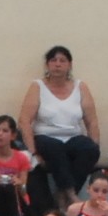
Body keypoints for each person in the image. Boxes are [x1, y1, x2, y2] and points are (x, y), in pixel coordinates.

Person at [13, 45, 99, 201]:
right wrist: (33, 153)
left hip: (73, 137)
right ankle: (71, 195)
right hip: (45, 137)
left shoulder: (80, 87)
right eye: (53, 60)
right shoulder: (37, 86)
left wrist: (95, 145)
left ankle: (61, 194)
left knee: (89, 149)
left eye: (62, 60)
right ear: (47, 65)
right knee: (55, 148)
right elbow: (24, 121)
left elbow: (92, 121)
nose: (58, 64)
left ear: (70, 65)